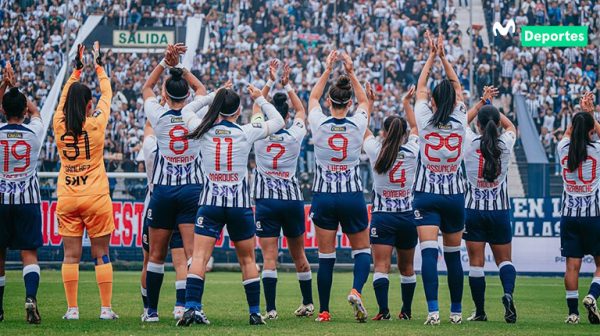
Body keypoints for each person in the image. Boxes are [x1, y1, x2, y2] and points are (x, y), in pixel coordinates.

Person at [178, 80, 284, 326]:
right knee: (247, 259)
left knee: (200, 257)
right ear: (238, 111)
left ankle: (192, 308)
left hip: (211, 202)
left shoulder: (203, 128)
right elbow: (279, 121)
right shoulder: (247, 131)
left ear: (218, 108)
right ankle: (255, 312)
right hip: (239, 204)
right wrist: (259, 98)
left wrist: (212, 95)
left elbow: (186, 110)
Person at [141, 44, 212, 322]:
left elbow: (147, 88)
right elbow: (203, 90)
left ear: (166, 95)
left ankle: (152, 311)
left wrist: (165, 62)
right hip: (193, 189)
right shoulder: (195, 114)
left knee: (156, 255)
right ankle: (188, 306)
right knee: (193, 254)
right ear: (186, 95)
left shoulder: (157, 116)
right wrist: (181, 67)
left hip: (163, 190)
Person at [53, 42, 118, 320]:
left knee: (70, 256)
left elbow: (63, 98)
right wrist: (99, 66)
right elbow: (108, 93)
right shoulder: (96, 123)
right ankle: (105, 309)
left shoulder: (58, 122)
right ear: (89, 105)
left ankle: (72, 309)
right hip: (96, 197)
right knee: (101, 254)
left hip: (68, 196)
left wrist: (76, 72)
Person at [307, 50, 371, 323]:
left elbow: (311, 98)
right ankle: (356, 289)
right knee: (362, 252)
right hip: (351, 194)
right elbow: (366, 100)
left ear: (330, 101)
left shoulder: (319, 122)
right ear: (348, 103)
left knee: (325, 256)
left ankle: (324, 311)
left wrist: (327, 67)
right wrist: (352, 72)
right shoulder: (357, 123)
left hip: (324, 195)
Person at [252, 60, 313, 319]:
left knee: (269, 257)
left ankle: (271, 309)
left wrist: (268, 82)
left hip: (266, 200)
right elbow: (302, 111)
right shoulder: (294, 134)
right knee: (299, 253)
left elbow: (256, 104)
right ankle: (309, 303)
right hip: (291, 199)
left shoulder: (258, 131)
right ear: (285, 116)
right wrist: (287, 85)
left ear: (269, 115)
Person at [413, 33, 467, 325]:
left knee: (429, 255)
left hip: (426, 194)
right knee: (454, 257)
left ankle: (433, 311)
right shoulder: (461, 119)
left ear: (433, 101)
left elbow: (421, 87)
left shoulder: (423, 117)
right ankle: (456, 312)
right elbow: (456, 87)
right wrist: (445, 57)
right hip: (455, 195)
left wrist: (431, 56)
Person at [462, 86, 519, 323]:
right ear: (496, 124)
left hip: (473, 209)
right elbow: (511, 127)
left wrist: (481, 102)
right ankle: (507, 293)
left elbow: (460, 123)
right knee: (504, 260)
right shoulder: (505, 144)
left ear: (478, 125)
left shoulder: (469, 142)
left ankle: (480, 312)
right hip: (499, 209)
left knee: (476, 264)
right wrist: (493, 108)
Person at [364, 84, 419, 321]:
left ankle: (383, 311)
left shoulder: (376, 150)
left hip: (383, 217)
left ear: (384, 133)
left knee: (381, 267)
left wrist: (370, 102)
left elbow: (362, 128)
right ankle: (406, 311)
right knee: (407, 269)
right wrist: (407, 102)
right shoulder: (413, 150)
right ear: (404, 133)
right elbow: (416, 126)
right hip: (407, 216)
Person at [0, 63, 43, 324]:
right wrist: (18, 90)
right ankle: (30, 298)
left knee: (0, 254)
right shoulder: (35, 133)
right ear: (24, 111)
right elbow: (36, 111)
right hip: (27, 199)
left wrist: (6, 86)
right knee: (29, 253)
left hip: (0, 200)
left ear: (3, 110)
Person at [138, 120, 189, 321]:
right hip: (183, 202)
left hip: (157, 202)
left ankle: (149, 309)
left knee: (150, 259)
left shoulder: (152, 145)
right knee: (181, 262)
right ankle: (180, 306)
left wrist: (158, 111)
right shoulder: (187, 146)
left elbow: (148, 128)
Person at [557, 91, 600, 325]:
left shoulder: (563, 148)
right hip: (594, 215)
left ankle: (572, 314)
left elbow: (568, 132)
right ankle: (592, 295)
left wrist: (581, 116)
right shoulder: (597, 150)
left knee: (571, 266)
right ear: (591, 130)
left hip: (569, 215)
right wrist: (591, 114)